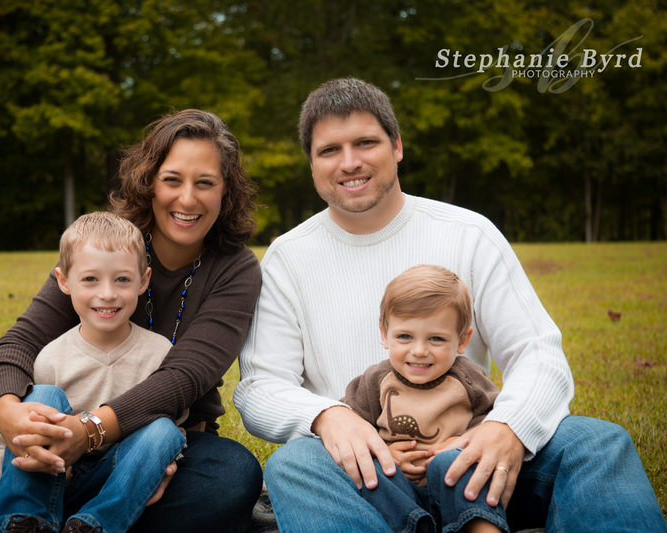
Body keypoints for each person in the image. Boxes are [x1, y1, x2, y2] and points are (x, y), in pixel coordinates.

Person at [233, 77, 666, 533]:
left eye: (366, 142)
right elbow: (260, 387)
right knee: (295, 465)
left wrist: (507, 428)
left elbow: (538, 352)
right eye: (329, 150)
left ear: (397, 146)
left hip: (475, 466)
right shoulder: (289, 256)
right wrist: (329, 417)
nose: (350, 162)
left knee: (596, 441)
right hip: (363, 474)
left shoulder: (467, 233)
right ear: (311, 162)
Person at [0, 109, 263, 533]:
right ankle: (43, 511)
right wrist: (10, 418)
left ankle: (15, 518)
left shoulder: (235, 269)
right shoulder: (107, 246)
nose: (187, 198)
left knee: (230, 477)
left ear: (226, 190)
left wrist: (88, 433)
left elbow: (182, 378)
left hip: (155, 443)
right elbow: (17, 345)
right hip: (55, 429)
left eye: (205, 182)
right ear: (149, 182)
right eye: (172, 180)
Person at [0, 211, 186, 532]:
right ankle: (25, 521)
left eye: (122, 279)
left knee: (164, 430)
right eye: (90, 279)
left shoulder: (160, 353)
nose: (107, 293)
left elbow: (169, 433)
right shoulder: (50, 358)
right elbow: (3, 438)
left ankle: (95, 525)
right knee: (43, 397)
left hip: (118, 480)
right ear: (63, 281)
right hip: (50, 476)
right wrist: (31, 463)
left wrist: (163, 465)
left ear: (144, 281)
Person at [343, 265, 505, 533]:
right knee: (371, 474)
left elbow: (494, 421)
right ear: (385, 334)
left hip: (455, 485)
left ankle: (481, 526)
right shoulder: (376, 381)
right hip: (399, 492)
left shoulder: (468, 379)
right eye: (405, 336)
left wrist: (465, 442)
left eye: (436, 339)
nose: (419, 351)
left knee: (461, 465)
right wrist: (383, 453)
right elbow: (352, 427)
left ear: (462, 340)